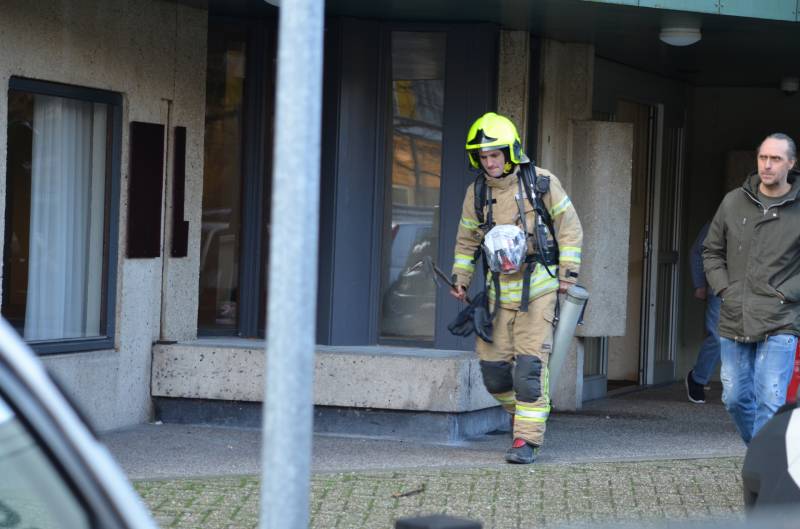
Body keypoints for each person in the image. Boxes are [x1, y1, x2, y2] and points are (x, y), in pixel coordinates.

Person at [449, 112, 582, 464]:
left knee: (529, 369)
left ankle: (526, 440)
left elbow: (569, 228)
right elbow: (466, 240)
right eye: (483, 156)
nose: (489, 162)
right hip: (496, 295)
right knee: (493, 374)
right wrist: (460, 279)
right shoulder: (476, 193)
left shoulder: (541, 182)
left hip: (537, 291)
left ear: (511, 152)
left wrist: (568, 274)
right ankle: (523, 413)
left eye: (495, 154)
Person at [703, 132, 800, 444]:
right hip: (734, 315)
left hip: (781, 318)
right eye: (763, 158)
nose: (767, 165)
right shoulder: (733, 202)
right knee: (733, 397)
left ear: (791, 164)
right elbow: (711, 251)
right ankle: (762, 457)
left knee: (769, 400)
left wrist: (786, 294)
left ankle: (762, 477)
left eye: (775, 159)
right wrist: (724, 289)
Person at [685, 222, 721, 404]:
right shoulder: (721, 218)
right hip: (721, 288)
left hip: (756, 293)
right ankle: (698, 378)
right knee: (717, 337)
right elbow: (697, 251)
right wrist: (700, 283)